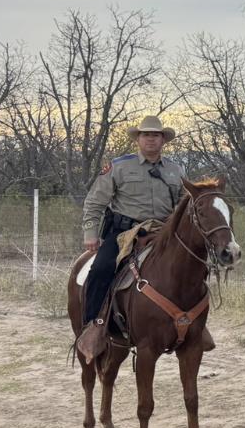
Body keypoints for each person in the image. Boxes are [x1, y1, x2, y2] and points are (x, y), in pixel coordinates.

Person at [78, 116, 186, 346]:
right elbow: (94, 202)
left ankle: (194, 325)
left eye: (155, 135)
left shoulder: (176, 170)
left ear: (163, 140)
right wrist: (90, 234)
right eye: (146, 134)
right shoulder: (118, 166)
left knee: (193, 268)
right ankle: (93, 326)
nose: (150, 139)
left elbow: (185, 205)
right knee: (100, 269)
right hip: (123, 234)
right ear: (138, 138)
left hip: (163, 233)